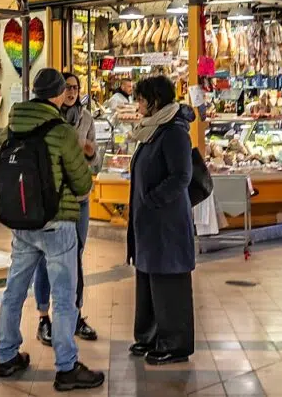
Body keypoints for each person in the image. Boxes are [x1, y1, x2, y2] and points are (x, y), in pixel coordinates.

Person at [0, 68, 105, 392]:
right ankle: (67, 367)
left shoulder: (11, 127)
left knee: (14, 292)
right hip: (57, 225)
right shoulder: (61, 130)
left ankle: (6, 356)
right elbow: (83, 181)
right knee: (64, 296)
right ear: (57, 94)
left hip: (22, 224)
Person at [126, 75, 196, 366]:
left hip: (166, 220)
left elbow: (182, 175)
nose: (138, 104)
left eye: (141, 99)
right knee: (149, 277)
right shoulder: (151, 129)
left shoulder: (174, 131)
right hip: (150, 221)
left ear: (155, 100)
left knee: (169, 281)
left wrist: (153, 198)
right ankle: (151, 335)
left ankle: (175, 343)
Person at [34, 73, 98, 346]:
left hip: (80, 199)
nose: (71, 92)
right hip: (54, 202)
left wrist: (90, 153)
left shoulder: (86, 119)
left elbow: (95, 164)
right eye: (66, 88)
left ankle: (75, 314)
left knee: (76, 260)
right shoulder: (49, 119)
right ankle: (43, 318)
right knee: (44, 260)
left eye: (75, 88)